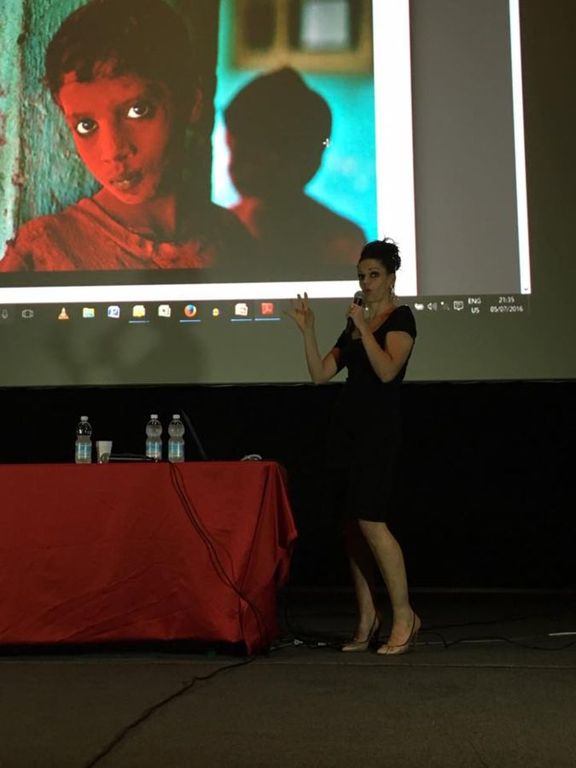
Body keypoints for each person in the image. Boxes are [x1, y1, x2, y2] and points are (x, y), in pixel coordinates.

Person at [0, 0, 255, 275]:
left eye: (138, 110)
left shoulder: (230, 240)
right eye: (86, 125)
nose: (113, 151)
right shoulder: (43, 253)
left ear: (191, 102)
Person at [287, 238, 420, 654]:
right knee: (352, 528)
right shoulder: (355, 324)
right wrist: (308, 332)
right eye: (362, 275)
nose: (366, 282)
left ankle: (405, 616)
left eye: (374, 275)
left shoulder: (401, 319)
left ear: (391, 278)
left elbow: (387, 371)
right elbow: (321, 374)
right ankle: (367, 618)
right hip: (347, 430)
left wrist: (363, 327)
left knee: (372, 522)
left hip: (379, 432)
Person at [223, 67, 366, 280]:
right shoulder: (216, 235)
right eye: (232, 148)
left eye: (251, 153)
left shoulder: (342, 245)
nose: (233, 165)